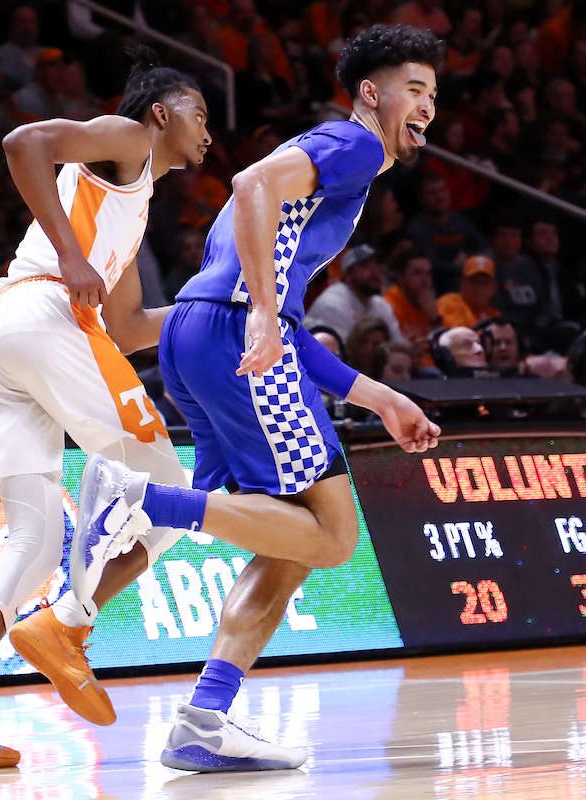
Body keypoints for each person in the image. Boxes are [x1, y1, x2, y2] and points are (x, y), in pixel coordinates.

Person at [75, 25, 443, 773]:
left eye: (434, 94)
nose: (428, 106)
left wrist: (379, 397)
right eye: (414, 89)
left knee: (291, 545)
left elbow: (280, 309)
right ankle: (137, 500)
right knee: (333, 536)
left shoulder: (312, 170)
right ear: (369, 94)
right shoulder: (355, 144)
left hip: (195, 331)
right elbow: (248, 188)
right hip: (237, 333)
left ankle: (203, 721)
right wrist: (268, 315)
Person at [0, 46, 213, 769]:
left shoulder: (134, 201)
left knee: (34, 542)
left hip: (4, 334)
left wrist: (214, 310)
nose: (207, 131)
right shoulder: (129, 138)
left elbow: (127, 328)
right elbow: (24, 143)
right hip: (44, 315)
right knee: (172, 494)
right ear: (160, 113)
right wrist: (71, 255)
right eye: (198, 114)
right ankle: (66, 623)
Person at [302, 244, 401, 341]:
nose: (374, 272)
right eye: (365, 266)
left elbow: (397, 343)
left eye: (377, 266)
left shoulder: (381, 305)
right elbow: (337, 350)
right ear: (348, 274)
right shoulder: (332, 305)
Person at [383, 250, 441, 366]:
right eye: (417, 273)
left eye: (428, 274)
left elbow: (444, 348)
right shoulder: (388, 305)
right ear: (400, 277)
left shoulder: (430, 302)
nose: (425, 280)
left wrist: (435, 319)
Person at [436, 255, 498, 328]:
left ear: (493, 288)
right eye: (473, 282)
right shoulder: (449, 303)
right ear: (461, 284)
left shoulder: (495, 316)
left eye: (484, 283)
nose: (478, 288)